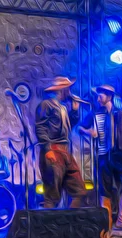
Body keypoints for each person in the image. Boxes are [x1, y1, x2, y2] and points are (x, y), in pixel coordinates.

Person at [81, 85, 122, 230]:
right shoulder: (96, 113)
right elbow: (80, 128)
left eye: (100, 96)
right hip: (104, 155)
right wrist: (91, 132)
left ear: (109, 96)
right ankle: (106, 222)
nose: (98, 98)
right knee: (104, 189)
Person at [35, 77, 88, 209]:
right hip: (53, 149)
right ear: (62, 90)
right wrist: (48, 149)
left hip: (64, 150)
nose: (70, 92)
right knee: (52, 194)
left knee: (79, 190)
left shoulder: (62, 107)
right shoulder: (46, 104)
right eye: (68, 89)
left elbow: (67, 128)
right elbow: (40, 127)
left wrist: (75, 111)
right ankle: (48, 226)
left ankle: (70, 223)